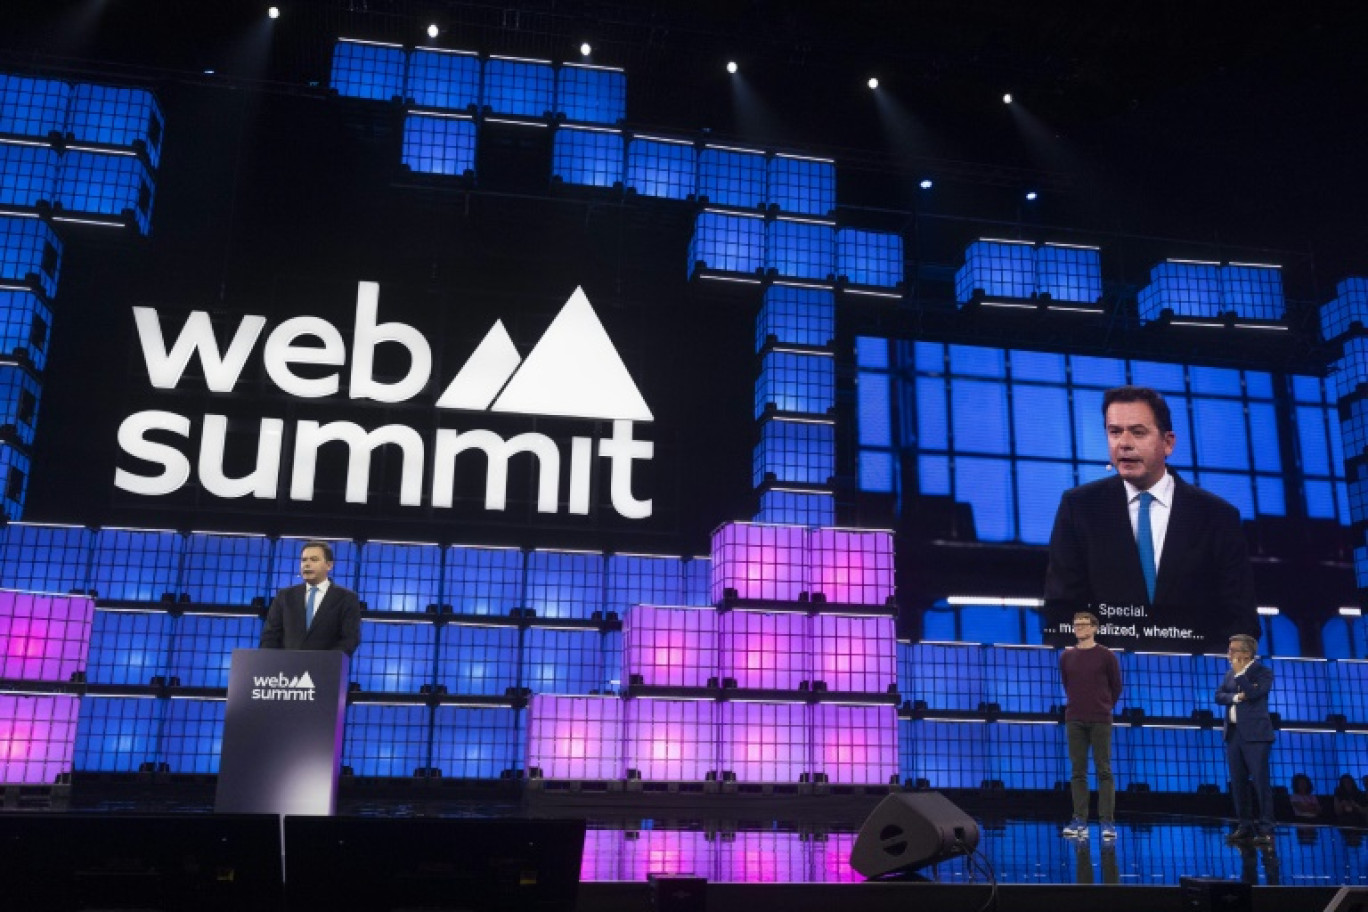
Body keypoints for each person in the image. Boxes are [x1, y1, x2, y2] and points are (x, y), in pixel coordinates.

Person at [1044, 385, 1258, 653]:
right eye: (1114, 432)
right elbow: (1061, 610)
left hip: (1197, 682)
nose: (1124, 443)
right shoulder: (1079, 508)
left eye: (1138, 432)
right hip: (1108, 682)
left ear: (1168, 443)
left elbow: (1240, 618)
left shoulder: (1218, 517)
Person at [1059, 611, 1123, 841]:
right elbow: (1068, 684)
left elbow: (1116, 686)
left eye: (1083, 625)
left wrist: (1104, 706)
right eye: (1075, 625)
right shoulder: (1066, 656)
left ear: (1095, 627)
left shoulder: (1107, 656)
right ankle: (1079, 820)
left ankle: (1107, 822)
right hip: (1074, 718)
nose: (1079, 628)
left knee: (1104, 770)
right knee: (1078, 772)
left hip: (1100, 719)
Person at [1216, 634, 1275, 844]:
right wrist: (1235, 697)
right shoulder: (1228, 674)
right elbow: (1218, 696)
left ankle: (1266, 828)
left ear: (1247, 653)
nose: (1229, 653)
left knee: (1260, 782)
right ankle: (1245, 826)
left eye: (1233, 650)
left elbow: (1254, 693)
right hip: (1233, 735)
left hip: (1256, 737)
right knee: (1238, 783)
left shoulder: (1263, 672)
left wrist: (1241, 675)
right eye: (1229, 649)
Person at [259, 540, 361, 655]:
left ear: (329, 565)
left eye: (314, 560)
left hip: (326, 669)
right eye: (304, 560)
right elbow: (270, 636)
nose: (307, 564)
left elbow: (350, 639)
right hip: (286, 669)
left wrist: (324, 662)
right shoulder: (284, 596)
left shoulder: (346, 598)